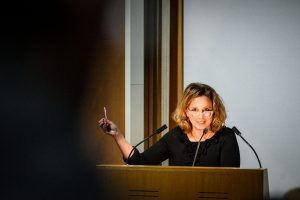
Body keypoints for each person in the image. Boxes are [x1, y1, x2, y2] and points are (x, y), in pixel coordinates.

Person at [99, 82, 240, 167]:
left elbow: (230, 181)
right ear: (186, 111)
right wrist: (118, 136)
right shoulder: (176, 136)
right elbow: (140, 162)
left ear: (214, 112)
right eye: (194, 110)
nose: (200, 116)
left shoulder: (226, 137)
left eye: (206, 110)